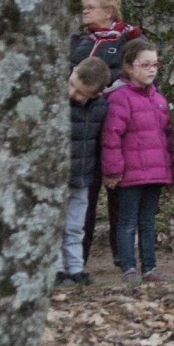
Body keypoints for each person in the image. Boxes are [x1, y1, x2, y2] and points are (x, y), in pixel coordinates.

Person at [71, 0, 142, 267]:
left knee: (119, 195)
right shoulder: (77, 42)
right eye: (83, 6)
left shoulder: (131, 41)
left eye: (91, 6)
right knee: (83, 194)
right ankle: (78, 257)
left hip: (117, 129)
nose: (85, 10)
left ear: (110, 11)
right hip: (82, 129)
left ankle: (121, 255)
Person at [101, 38, 174, 283]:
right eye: (145, 65)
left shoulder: (158, 99)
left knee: (148, 222)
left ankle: (150, 267)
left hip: (155, 173)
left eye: (155, 64)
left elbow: (167, 137)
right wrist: (113, 171)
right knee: (127, 222)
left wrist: (170, 169)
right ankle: (128, 267)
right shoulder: (120, 97)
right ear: (130, 66)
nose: (152, 69)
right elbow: (111, 137)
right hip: (130, 174)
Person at [56, 57, 110, 287]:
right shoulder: (55, 99)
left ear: (96, 95)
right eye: (72, 86)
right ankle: (57, 268)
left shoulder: (100, 107)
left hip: (82, 176)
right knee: (54, 226)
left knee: (76, 226)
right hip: (56, 177)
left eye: (81, 93)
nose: (73, 95)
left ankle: (76, 267)